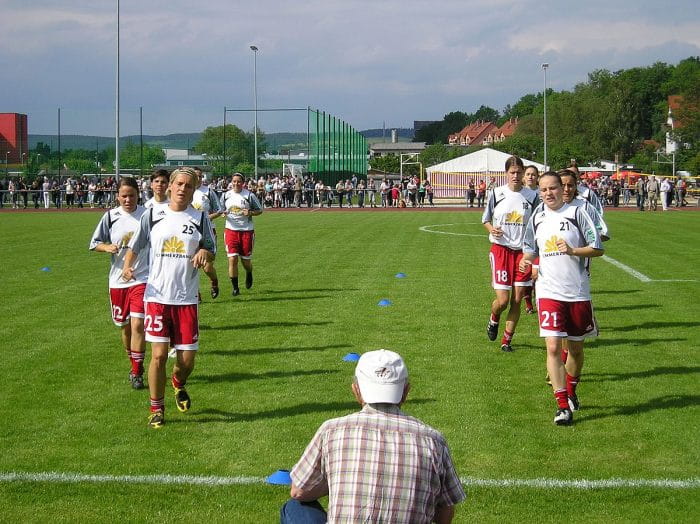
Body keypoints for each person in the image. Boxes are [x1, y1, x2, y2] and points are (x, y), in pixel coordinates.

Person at [282, 349, 466, 523]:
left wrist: (338, 483)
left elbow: (299, 491)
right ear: (406, 391)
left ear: (356, 390)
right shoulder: (433, 440)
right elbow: (446, 509)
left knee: (294, 507)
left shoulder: (331, 430)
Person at [122, 167, 216, 428]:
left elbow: (211, 248)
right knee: (159, 355)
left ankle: (178, 382)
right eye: (180, 184)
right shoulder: (153, 214)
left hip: (186, 299)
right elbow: (137, 244)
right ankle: (156, 408)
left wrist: (204, 254)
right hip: (157, 296)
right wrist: (128, 266)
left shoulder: (200, 218)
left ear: (193, 189)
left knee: (186, 361)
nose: (183, 189)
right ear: (171, 186)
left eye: (189, 185)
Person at [521, 171, 604, 426]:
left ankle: (571, 389)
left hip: (577, 291)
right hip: (548, 291)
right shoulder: (537, 216)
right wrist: (528, 260)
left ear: (562, 189)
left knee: (576, 350)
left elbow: (598, 247)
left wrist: (572, 250)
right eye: (543, 189)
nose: (548, 193)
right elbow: (528, 247)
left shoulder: (578, 213)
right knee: (554, 347)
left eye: (553, 188)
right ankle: (561, 405)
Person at [89, 177, 149, 390]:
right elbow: (94, 244)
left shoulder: (146, 215)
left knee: (138, 324)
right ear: (117, 196)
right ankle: (133, 363)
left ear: (138, 195)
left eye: (131, 195)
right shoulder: (110, 217)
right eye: (124, 196)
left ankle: (137, 370)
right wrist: (107, 248)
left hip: (142, 278)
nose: (127, 199)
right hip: (117, 281)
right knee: (124, 328)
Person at [482, 155, 539, 352]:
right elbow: (486, 219)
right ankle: (494, 316)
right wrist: (491, 229)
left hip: (523, 254)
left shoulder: (532, 197)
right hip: (501, 250)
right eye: (512, 172)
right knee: (503, 301)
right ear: (506, 174)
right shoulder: (497, 193)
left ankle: (506, 340)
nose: (515, 175)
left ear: (523, 174)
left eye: (518, 172)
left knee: (517, 299)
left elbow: (537, 224)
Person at [221, 172, 263, 296]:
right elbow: (220, 209)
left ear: (243, 183)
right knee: (232, 259)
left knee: (245, 262)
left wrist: (250, 212)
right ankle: (235, 288)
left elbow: (259, 210)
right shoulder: (226, 195)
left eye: (239, 181)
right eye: (234, 181)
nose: (236, 183)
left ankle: (249, 273)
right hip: (231, 230)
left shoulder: (249, 195)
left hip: (246, 231)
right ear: (231, 182)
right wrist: (222, 213)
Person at [192, 168, 223, 299]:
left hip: (207, 231)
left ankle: (214, 281)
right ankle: (195, 293)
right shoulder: (185, 191)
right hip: (190, 233)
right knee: (191, 265)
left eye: (200, 176)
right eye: (195, 176)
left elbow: (219, 210)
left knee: (207, 267)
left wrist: (206, 218)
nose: (198, 179)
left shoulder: (208, 191)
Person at [521, 165, 540, 314]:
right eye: (528, 174)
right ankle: (528, 303)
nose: (530, 177)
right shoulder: (519, 194)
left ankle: (540, 300)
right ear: (524, 177)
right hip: (522, 239)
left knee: (537, 273)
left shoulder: (542, 193)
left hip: (539, 238)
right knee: (527, 274)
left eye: (533, 174)